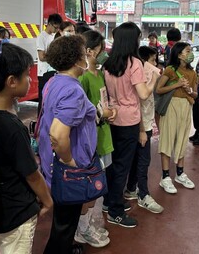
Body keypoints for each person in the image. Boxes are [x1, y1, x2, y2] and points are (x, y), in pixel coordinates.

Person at [0, 43, 53, 253]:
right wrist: (48, 201)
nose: (30, 79)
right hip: (17, 209)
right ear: (11, 81)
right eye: (26, 75)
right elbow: (32, 174)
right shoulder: (13, 128)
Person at [37, 35, 98, 254]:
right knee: (65, 224)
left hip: (52, 163)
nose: (88, 56)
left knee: (63, 220)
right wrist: (70, 162)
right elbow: (58, 134)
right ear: (75, 60)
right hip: (68, 168)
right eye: (84, 54)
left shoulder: (54, 81)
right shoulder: (73, 90)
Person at [102, 22, 158, 228]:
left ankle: (109, 202)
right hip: (129, 120)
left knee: (113, 163)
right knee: (122, 167)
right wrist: (152, 79)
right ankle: (115, 211)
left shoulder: (109, 63)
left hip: (112, 117)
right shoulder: (134, 63)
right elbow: (143, 94)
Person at [75, 30, 115, 248]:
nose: (104, 54)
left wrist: (109, 111)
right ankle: (82, 228)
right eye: (101, 50)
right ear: (89, 51)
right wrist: (102, 114)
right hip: (92, 139)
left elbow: (101, 103)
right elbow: (82, 113)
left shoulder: (99, 75)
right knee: (90, 187)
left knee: (98, 186)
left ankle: (88, 223)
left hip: (104, 134)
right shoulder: (83, 78)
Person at [124, 46, 164, 212]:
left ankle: (131, 189)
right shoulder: (142, 75)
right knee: (143, 161)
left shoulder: (141, 74)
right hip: (141, 125)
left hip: (143, 123)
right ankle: (143, 195)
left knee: (136, 159)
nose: (156, 64)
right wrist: (142, 130)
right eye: (153, 60)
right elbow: (140, 101)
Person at [156, 42, 197, 194]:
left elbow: (195, 94)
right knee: (167, 139)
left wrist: (189, 90)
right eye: (188, 51)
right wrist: (177, 84)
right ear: (179, 54)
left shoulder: (193, 73)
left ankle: (180, 173)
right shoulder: (170, 70)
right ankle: (165, 176)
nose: (190, 53)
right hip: (171, 106)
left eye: (191, 50)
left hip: (186, 107)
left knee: (182, 139)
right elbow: (159, 89)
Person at [36, 13, 63, 114]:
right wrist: (55, 56)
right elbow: (41, 57)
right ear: (50, 24)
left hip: (53, 71)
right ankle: (39, 125)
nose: (56, 30)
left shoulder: (53, 37)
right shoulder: (41, 37)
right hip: (43, 73)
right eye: (55, 27)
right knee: (43, 101)